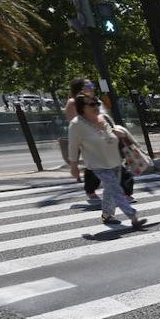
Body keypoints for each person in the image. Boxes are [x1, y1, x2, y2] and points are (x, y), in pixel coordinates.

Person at [67, 95, 145, 229]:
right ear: (82, 108)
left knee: (110, 191)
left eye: (97, 103)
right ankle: (133, 217)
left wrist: (118, 134)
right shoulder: (76, 125)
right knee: (116, 190)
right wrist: (73, 166)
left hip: (115, 161)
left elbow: (112, 136)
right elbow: (73, 146)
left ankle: (107, 215)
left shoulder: (104, 118)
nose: (96, 106)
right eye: (91, 105)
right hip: (98, 165)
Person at [64, 78, 134, 202]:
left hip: (107, 137)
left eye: (92, 84)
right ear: (80, 88)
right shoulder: (73, 102)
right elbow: (74, 124)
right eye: (88, 84)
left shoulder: (96, 101)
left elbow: (105, 118)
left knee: (114, 164)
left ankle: (124, 193)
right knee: (95, 167)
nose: (92, 86)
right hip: (90, 140)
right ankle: (99, 192)